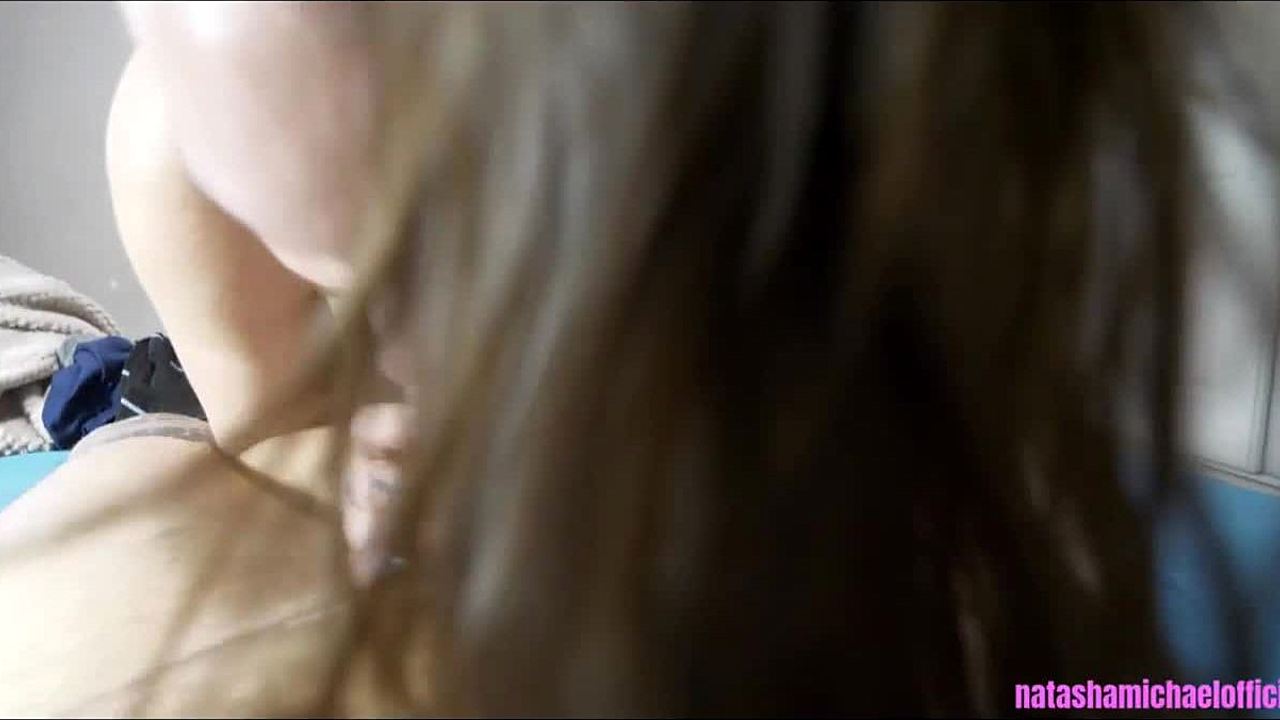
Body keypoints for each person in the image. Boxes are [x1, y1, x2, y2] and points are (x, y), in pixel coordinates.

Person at [0, 1, 1252, 715]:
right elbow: (277, 437)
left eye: (441, 244)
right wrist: (365, 470)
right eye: (364, 265)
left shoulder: (858, 236)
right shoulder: (179, 139)